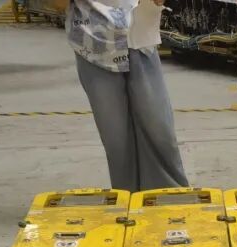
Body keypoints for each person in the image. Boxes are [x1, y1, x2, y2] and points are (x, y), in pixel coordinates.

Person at [52, 0, 189, 192]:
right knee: (116, 139)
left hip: (140, 38)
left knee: (158, 127)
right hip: (95, 45)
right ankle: (128, 198)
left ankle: (168, 196)